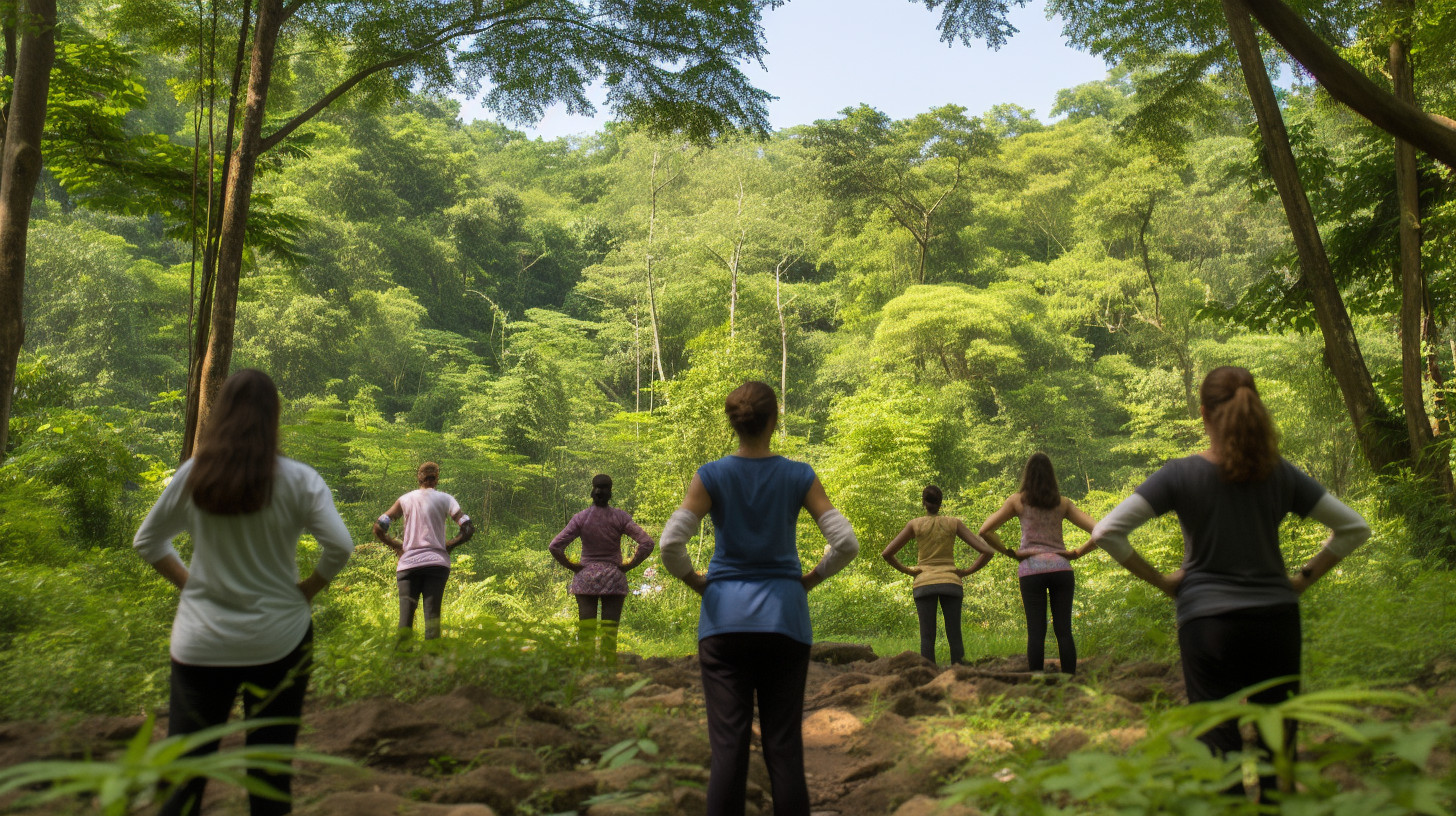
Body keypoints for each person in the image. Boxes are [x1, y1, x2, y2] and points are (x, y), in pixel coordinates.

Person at [1091, 366, 1370, 794]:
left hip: (1208, 624)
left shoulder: (1180, 474)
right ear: (1254, 406)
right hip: (1276, 620)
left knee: (1218, 756)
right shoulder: (1281, 473)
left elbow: (1107, 531)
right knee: (1279, 752)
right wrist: (1300, 580)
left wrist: (1165, 582)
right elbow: (1354, 528)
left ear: (1203, 412)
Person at [133, 369, 354, 816]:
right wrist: (307, 590)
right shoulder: (300, 480)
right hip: (280, 639)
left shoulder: (196, 474)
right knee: (269, 774)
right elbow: (341, 546)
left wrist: (191, 585)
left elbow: (148, 541)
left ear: (221, 414)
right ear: (274, 417)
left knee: (184, 774)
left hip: (202, 642)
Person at [658, 381, 859, 816]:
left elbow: (671, 543)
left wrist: (698, 582)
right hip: (785, 620)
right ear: (774, 420)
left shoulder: (710, 475)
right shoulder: (798, 474)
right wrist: (808, 579)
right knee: (783, 746)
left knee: (728, 747)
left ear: (734, 423)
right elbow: (846, 543)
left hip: (723, 621)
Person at [978, 453, 1098, 675]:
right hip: (1061, 568)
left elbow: (985, 530)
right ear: (1052, 476)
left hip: (1030, 570)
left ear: (1027, 475)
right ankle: (1069, 682)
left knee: (1036, 631)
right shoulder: (1063, 503)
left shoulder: (1017, 501)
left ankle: (1035, 683)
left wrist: (1010, 553)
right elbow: (1101, 531)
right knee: (1064, 630)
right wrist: (1077, 552)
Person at [881, 485, 1015, 666]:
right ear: (941, 503)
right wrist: (966, 571)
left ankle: (927, 677)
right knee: (954, 635)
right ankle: (959, 676)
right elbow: (987, 551)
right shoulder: (954, 523)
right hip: (951, 583)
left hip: (924, 584)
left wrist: (909, 571)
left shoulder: (915, 524)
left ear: (923, 503)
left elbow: (887, 553)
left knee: (927, 637)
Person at [549, 473, 656, 663]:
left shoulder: (581, 518)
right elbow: (647, 543)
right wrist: (628, 566)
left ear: (592, 492)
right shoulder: (620, 517)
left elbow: (555, 546)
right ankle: (608, 673)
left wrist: (573, 567)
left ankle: (585, 671)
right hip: (613, 577)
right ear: (610, 493)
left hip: (585, 578)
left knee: (587, 629)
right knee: (609, 631)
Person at [373, 462, 474, 640]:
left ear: (419, 478)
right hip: (436, 564)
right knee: (432, 621)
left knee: (405, 622)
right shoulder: (446, 499)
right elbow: (467, 528)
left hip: (408, 565)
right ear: (437, 479)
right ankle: (431, 663)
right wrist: (449, 545)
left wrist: (397, 547)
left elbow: (379, 527)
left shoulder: (405, 500)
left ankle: (402, 663)